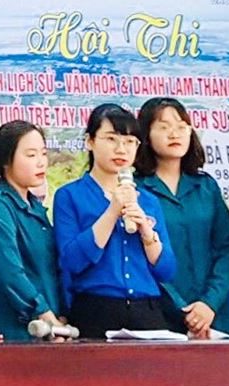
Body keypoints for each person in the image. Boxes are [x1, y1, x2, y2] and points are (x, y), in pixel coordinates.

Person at [53, 103, 176, 338]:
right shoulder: (70, 196)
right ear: (90, 141)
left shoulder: (148, 200)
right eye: (111, 139)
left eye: (130, 142)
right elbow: (72, 261)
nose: (121, 149)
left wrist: (147, 233)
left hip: (147, 310)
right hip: (95, 309)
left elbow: (167, 270)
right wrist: (112, 212)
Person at [135, 97, 229, 337]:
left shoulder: (206, 186)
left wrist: (209, 303)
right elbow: (141, 258)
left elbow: (227, 249)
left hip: (213, 316)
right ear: (146, 136)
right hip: (159, 315)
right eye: (164, 127)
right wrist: (182, 308)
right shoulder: (136, 191)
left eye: (182, 126)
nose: (175, 134)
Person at [0, 121, 66, 341]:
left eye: (43, 153)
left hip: (49, 330)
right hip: (14, 332)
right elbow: (10, 273)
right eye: (31, 155)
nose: (41, 162)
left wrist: (59, 316)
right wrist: (46, 316)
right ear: (7, 160)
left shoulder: (36, 207)